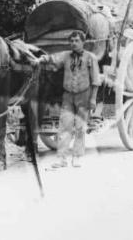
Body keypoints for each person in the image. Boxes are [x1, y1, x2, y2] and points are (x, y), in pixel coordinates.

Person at [35, 30, 100, 168]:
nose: (73, 43)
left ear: (83, 42)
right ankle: (62, 159)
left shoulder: (91, 58)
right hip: (68, 97)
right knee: (64, 127)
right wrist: (41, 59)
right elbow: (53, 58)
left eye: (77, 41)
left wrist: (93, 99)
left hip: (84, 96)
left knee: (80, 128)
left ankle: (76, 157)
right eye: (71, 41)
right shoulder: (66, 56)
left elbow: (95, 81)